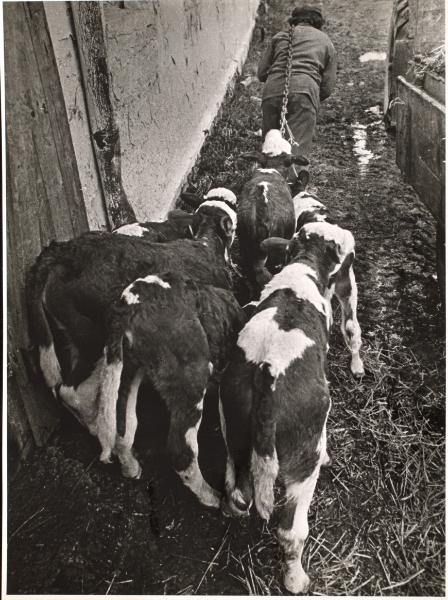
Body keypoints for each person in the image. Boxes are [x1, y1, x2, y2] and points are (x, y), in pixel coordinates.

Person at [257, 2, 337, 192]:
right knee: (295, 151)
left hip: (272, 92)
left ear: (293, 20)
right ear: (318, 23)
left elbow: (261, 73)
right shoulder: (325, 41)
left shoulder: (279, 37)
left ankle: (264, 191)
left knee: (271, 147)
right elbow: (327, 87)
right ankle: (291, 192)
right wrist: (309, 98)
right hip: (304, 94)